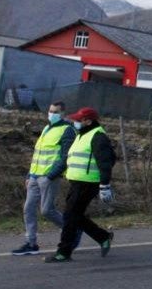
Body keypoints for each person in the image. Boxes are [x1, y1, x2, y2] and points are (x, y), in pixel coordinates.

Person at [45, 108, 115, 263]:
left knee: (70, 216)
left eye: (79, 119)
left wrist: (104, 185)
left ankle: (64, 252)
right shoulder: (82, 135)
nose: (75, 122)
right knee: (74, 215)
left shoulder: (98, 136)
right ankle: (103, 236)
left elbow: (106, 162)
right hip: (77, 182)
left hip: (88, 183)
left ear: (88, 121)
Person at [12, 101, 74, 256]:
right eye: (50, 110)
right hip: (34, 176)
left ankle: (71, 229)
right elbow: (37, 154)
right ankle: (31, 243)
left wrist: (51, 175)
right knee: (28, 209)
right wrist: (29, 175)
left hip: (49, 177)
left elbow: (65, 157)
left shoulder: (67, 130)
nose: (51, 114)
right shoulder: (47, 128)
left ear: (62, 114)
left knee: (47, 210)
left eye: (56, 112)